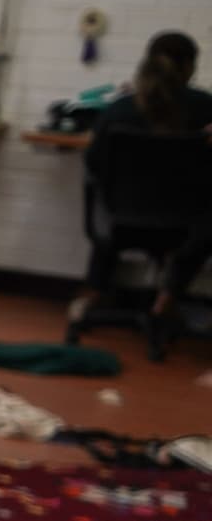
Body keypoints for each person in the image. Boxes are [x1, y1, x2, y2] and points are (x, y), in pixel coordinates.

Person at [81, 30, 212, 332]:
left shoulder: (119, 108)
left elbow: (93, 163)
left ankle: (96, 290)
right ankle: (168, 297)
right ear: (191, 66)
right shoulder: (205, 106)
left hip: (122, 222)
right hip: (185, 225)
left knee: (108, 201)